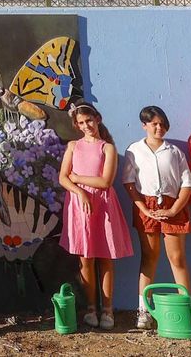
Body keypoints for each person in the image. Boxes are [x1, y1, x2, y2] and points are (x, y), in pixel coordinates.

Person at [59, 102, 132, 330]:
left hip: (103, 206)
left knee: (105, 257)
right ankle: (91, 308)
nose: (86, 126)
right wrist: (79, 192)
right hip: (80, 207)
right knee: (86, 259)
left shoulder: (107, 148)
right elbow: (63, 178)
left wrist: (78, 178)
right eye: (80, 123)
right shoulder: (73, 146)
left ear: (97, 119)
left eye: (89, 120)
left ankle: (107, 310)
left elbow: (105, 181)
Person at [121, 105, 191, 331]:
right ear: (145, 125)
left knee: (177, 259)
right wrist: (143, 208)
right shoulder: (134, 150)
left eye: (162, 123)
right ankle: (144, 312)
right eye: (154, 123)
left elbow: (187, 184)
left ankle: (187, 311)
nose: (159, 127)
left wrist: (173, 211)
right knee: (149, 258)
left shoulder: (174, 152)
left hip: (173, 207)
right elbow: (129, 182)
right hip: (147, 208)